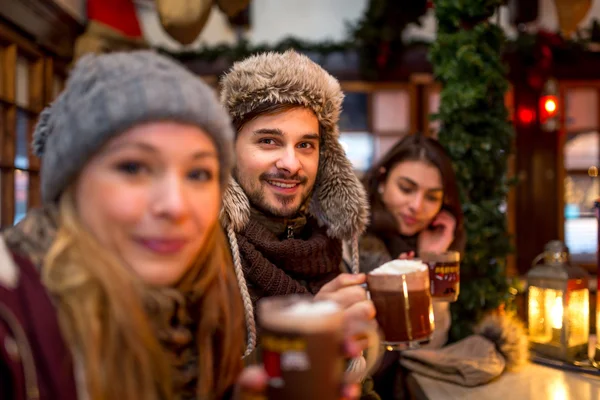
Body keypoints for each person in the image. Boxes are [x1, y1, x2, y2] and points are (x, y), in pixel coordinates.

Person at [0, 51, 249, 400]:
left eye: (198, 173)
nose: (174, 206)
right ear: (71, 185)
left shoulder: (209, 306)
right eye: (133, 167)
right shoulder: (11, 320)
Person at [218, 50, 379, 396]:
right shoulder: (205, 256)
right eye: (268, 141)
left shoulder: (332, 249)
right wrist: (310, 332)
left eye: (305, 144)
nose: (291, 163)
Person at [356, 133, 465, 399]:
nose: (416, 206)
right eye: (406, 188)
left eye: (432, 197)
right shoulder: (352, 236)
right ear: (382, 181)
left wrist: (431, 259)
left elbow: (427, 345)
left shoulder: (428, 241)